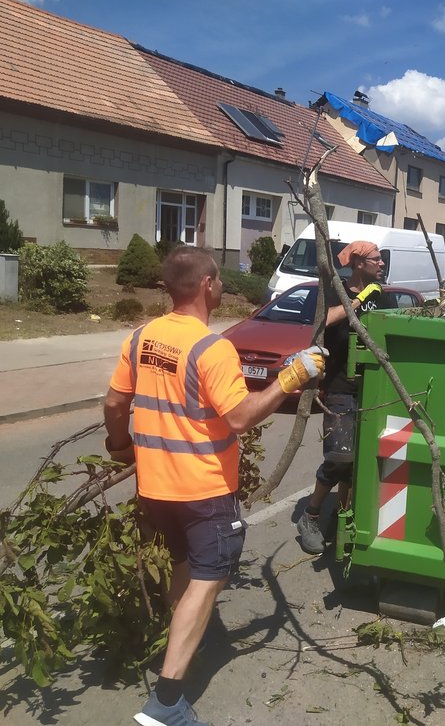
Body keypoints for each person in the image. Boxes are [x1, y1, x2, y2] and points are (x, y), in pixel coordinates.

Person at [104, 246, 326, 726]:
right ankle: (165, 704)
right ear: (206, 285)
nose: (223, 287)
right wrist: (291, 376)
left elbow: (114, 402)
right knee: (207, 581)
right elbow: (241, 416)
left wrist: (119, 445)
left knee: (182, 570)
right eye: (219, 281)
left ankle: (186, 642)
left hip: (155, 487)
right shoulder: (211, 348)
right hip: (203, 490)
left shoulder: (141, 337)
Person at [296, 240, 398, 554]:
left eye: (382, 260)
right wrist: (358, 301)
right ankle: (311, 515)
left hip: (374, 388)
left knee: (361, 462)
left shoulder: (385, 297)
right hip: (341, 386)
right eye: (376, 260)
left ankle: (342, 516)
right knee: (341, 455)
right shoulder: (336, 290)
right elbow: (321, 323)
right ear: (357, 263)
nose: (382, 264)